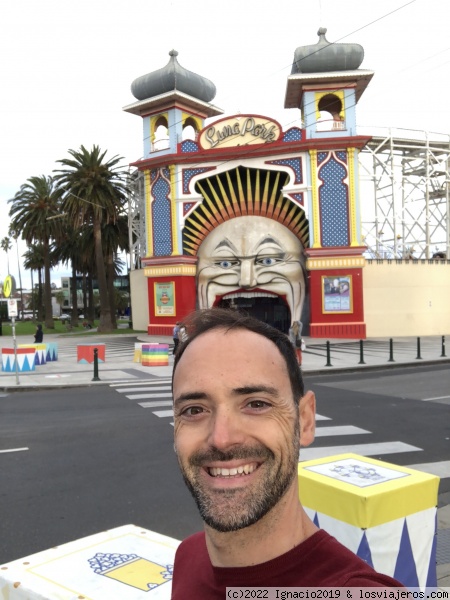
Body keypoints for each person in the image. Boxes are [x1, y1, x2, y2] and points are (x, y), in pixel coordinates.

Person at [171, 308, 402, 596]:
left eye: (256, 404)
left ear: (305, 420)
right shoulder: (188, 556)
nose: (221, 439)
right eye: (194, 410)